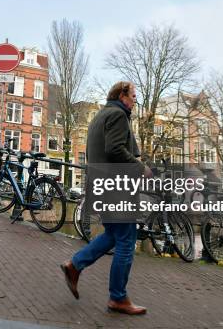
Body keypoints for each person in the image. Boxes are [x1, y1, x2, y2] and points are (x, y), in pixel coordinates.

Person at [60, 81, 152, 315]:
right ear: (122, 95)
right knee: (126, 240)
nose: (134, 101)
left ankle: (75, 265)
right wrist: (140, 167)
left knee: (113, 234)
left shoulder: (101, 116)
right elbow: (115, 149)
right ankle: (118, 298)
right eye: (133, 96)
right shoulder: (118, 115)